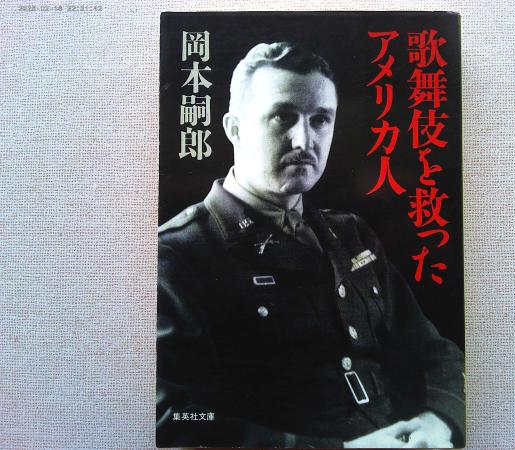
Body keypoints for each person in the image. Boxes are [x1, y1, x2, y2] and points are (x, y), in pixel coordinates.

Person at [157, 42, 465, 448]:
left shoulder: (351, 235)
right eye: (282, 116)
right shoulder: (178, 255)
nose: (304, 140)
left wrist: (437, 421)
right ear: (234, 129)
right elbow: (173, 418)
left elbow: (433, 351)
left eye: (320, 120)